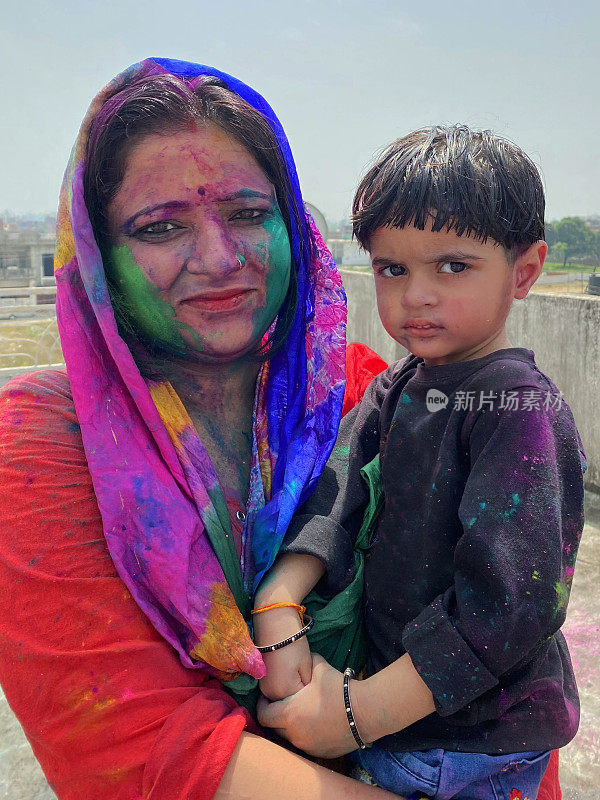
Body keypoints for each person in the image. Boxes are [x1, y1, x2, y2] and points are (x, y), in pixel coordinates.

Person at [0, 58, 401, 800]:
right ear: (99, 260)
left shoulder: (360, 395)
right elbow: (139, 748)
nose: (220, 259)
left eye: (250, 213)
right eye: (160, 227)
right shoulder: (43, 444)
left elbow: (491, 637)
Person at [255, 127, 586, 800]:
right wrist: (278, 599)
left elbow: (505, 606)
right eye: (392, 268)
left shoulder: (512, 410)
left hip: (471, 742)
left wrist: (350, 719)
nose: (417, 296)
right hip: (408, 715)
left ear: (524, 272)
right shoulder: (400, 385)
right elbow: (337, 492)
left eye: (453, 266)